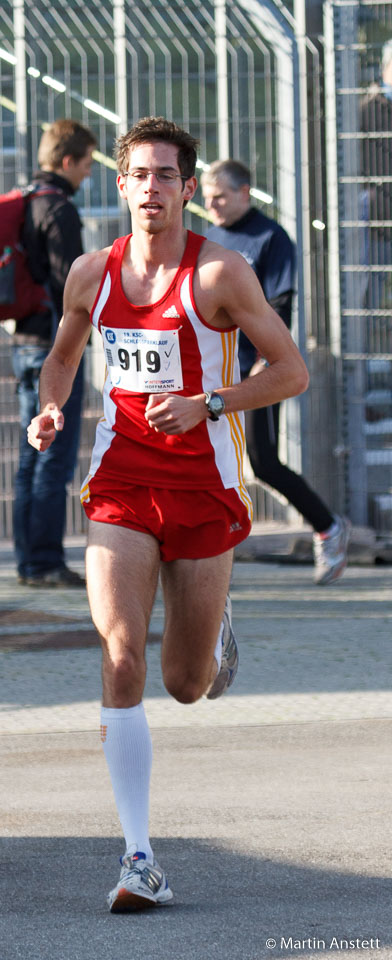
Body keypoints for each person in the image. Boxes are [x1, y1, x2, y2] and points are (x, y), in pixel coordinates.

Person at [27, 117, 309, 912]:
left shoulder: (221, 274)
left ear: (189, 188)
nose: (151, 189)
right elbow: (62, 357)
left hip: (205, 486)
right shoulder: (93, 271)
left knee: (185, 684)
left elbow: (291, 370)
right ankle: (139, 857)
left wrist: (210, 400)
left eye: (165, 176)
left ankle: (213, 631)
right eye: (137, 176)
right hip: (119, 483)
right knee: (120, 653)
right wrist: (51, 409)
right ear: (120, 186)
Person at [201, 159, 350, 586]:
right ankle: (203, 553)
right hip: (213, 367)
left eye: (221, 196)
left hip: (253, 368)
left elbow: (279, 305)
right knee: (208, 459)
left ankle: (329, 527)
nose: (211, 204)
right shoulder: (209, 237)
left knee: (263, 462)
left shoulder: (271, 238)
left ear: (245, 192)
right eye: (207, 197)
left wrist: (266, 360)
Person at [13, 118, 96, 587]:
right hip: (54, 345)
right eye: (85, 165)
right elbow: (74, 286)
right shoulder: (60, 210)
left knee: (30, 454)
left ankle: (27, 561)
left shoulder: (24, 201)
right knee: (54, 452)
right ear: (68, 161)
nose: (87, 175)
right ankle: (44, 561)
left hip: (22, 340)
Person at [360, 39, 392, 311]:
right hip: (379, 213)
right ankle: (368, 349)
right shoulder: (366, 108)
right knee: (371, 287)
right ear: (385, 69)